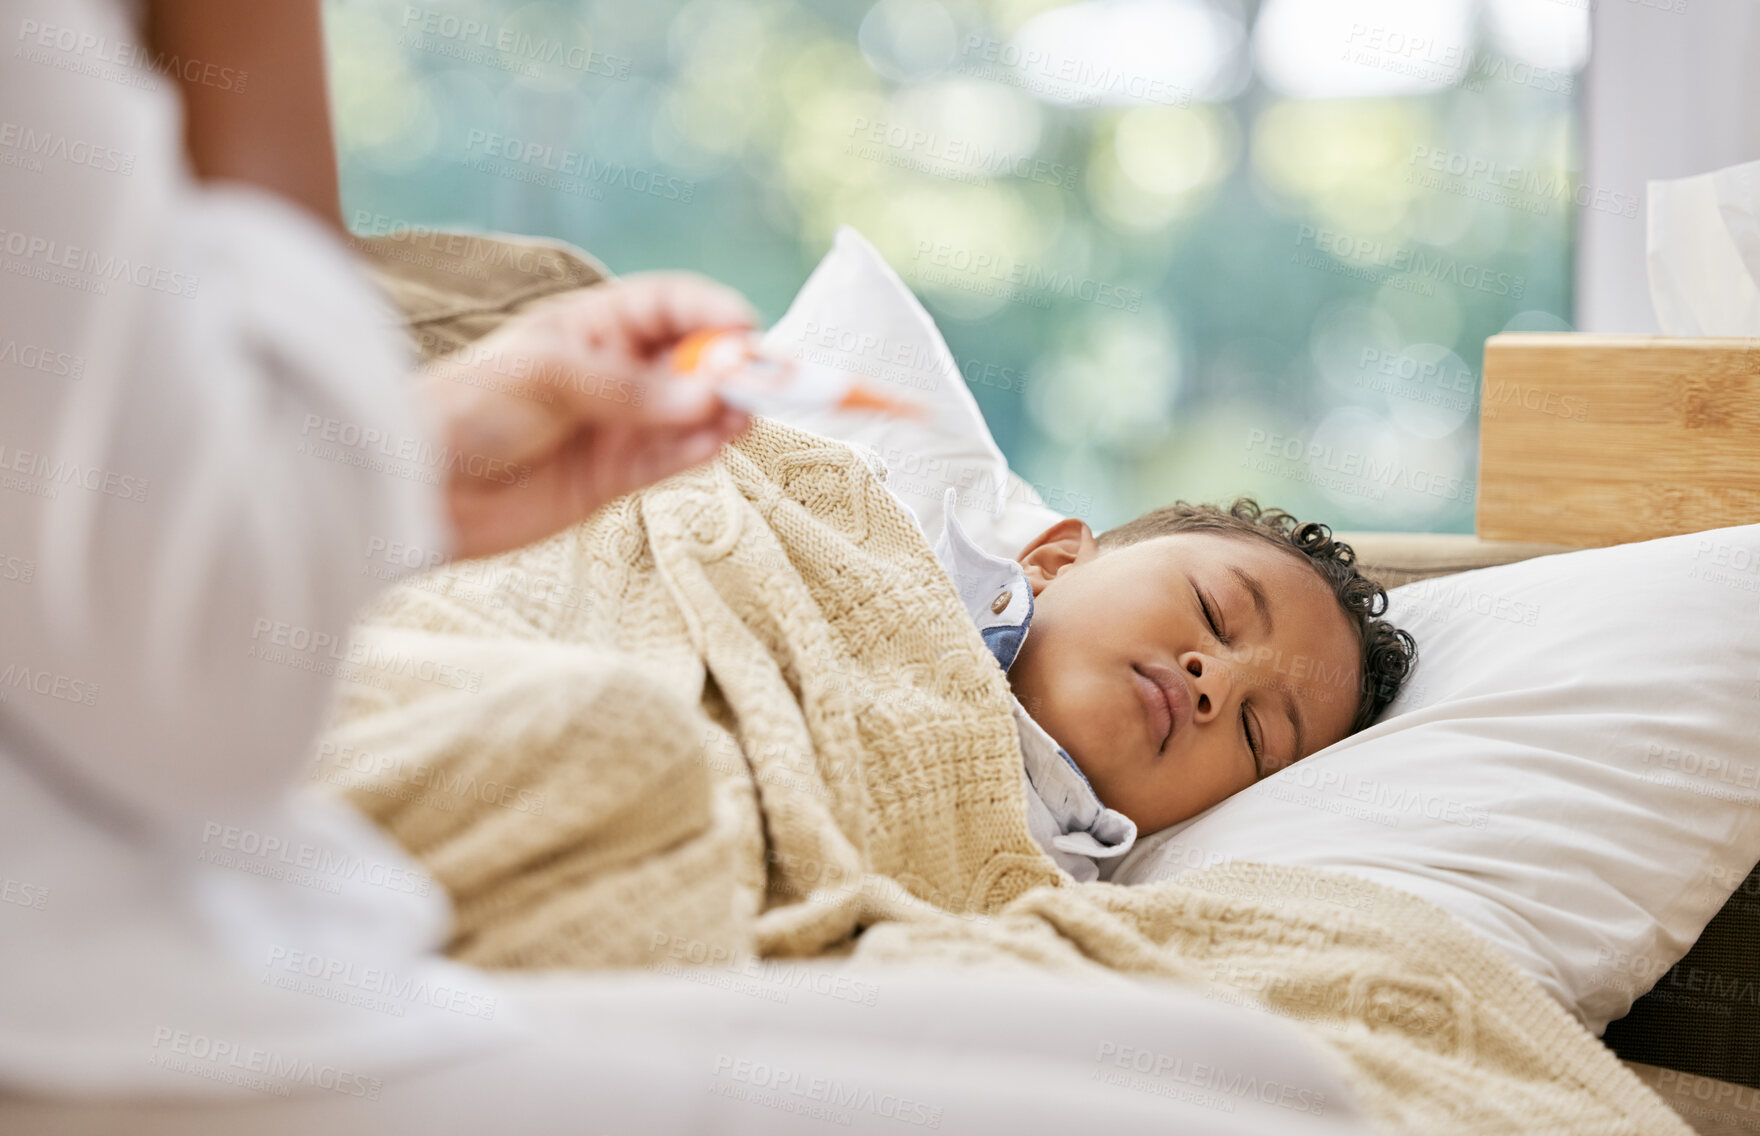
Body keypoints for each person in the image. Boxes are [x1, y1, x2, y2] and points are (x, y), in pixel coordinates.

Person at [0, 1, 1378, 1133]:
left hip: (188, 875)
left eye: (1258, 730)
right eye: (1217, 618)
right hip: (111, 945)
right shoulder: (890, 540)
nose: (1213, 684)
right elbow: (201, 654)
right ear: (1058, 553)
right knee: (613, 746)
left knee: (1272, 1071)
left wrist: (425, 450)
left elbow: (152, 517)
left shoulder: (1078, 843)